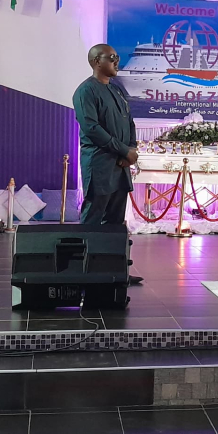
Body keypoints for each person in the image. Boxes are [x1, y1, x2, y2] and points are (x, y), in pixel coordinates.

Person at [72, 43, 143, 284]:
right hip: (100, 164)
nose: (116, 62)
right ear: (96, 61)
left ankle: (116, 271)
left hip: (120, 165)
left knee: (115, 221)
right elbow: (92, 129)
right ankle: (83, 272)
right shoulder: (85, 91)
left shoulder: (117, 91)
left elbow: (129, 122)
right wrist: (123, 150)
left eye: (117, 57)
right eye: (111, 57)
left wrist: (130, 150)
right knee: (94, 219)